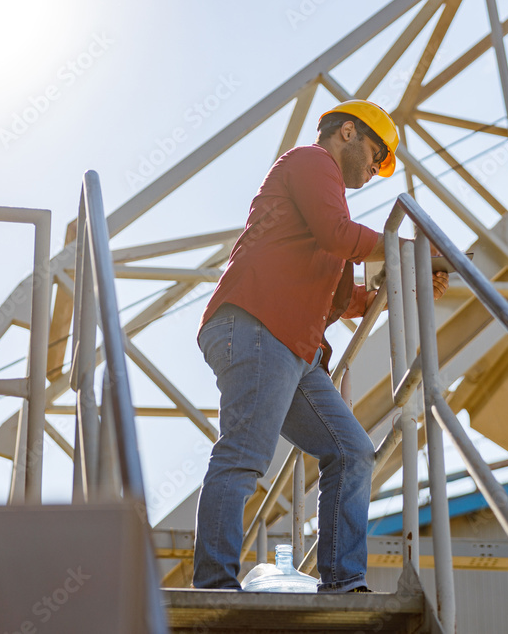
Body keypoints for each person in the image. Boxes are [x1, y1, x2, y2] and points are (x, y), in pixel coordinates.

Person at [192, 100, 449, 593]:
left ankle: (343, 581)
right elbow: (338, 235)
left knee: (353, 453)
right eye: (377, 155)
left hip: (294, 347)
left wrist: (401, 290)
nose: (376, 169)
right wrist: (418, 251)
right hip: (258, 324)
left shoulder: (325, 199)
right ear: (347, 133)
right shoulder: (311, 163)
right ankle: (216, 583)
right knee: (245, 454)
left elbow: (336, 298)